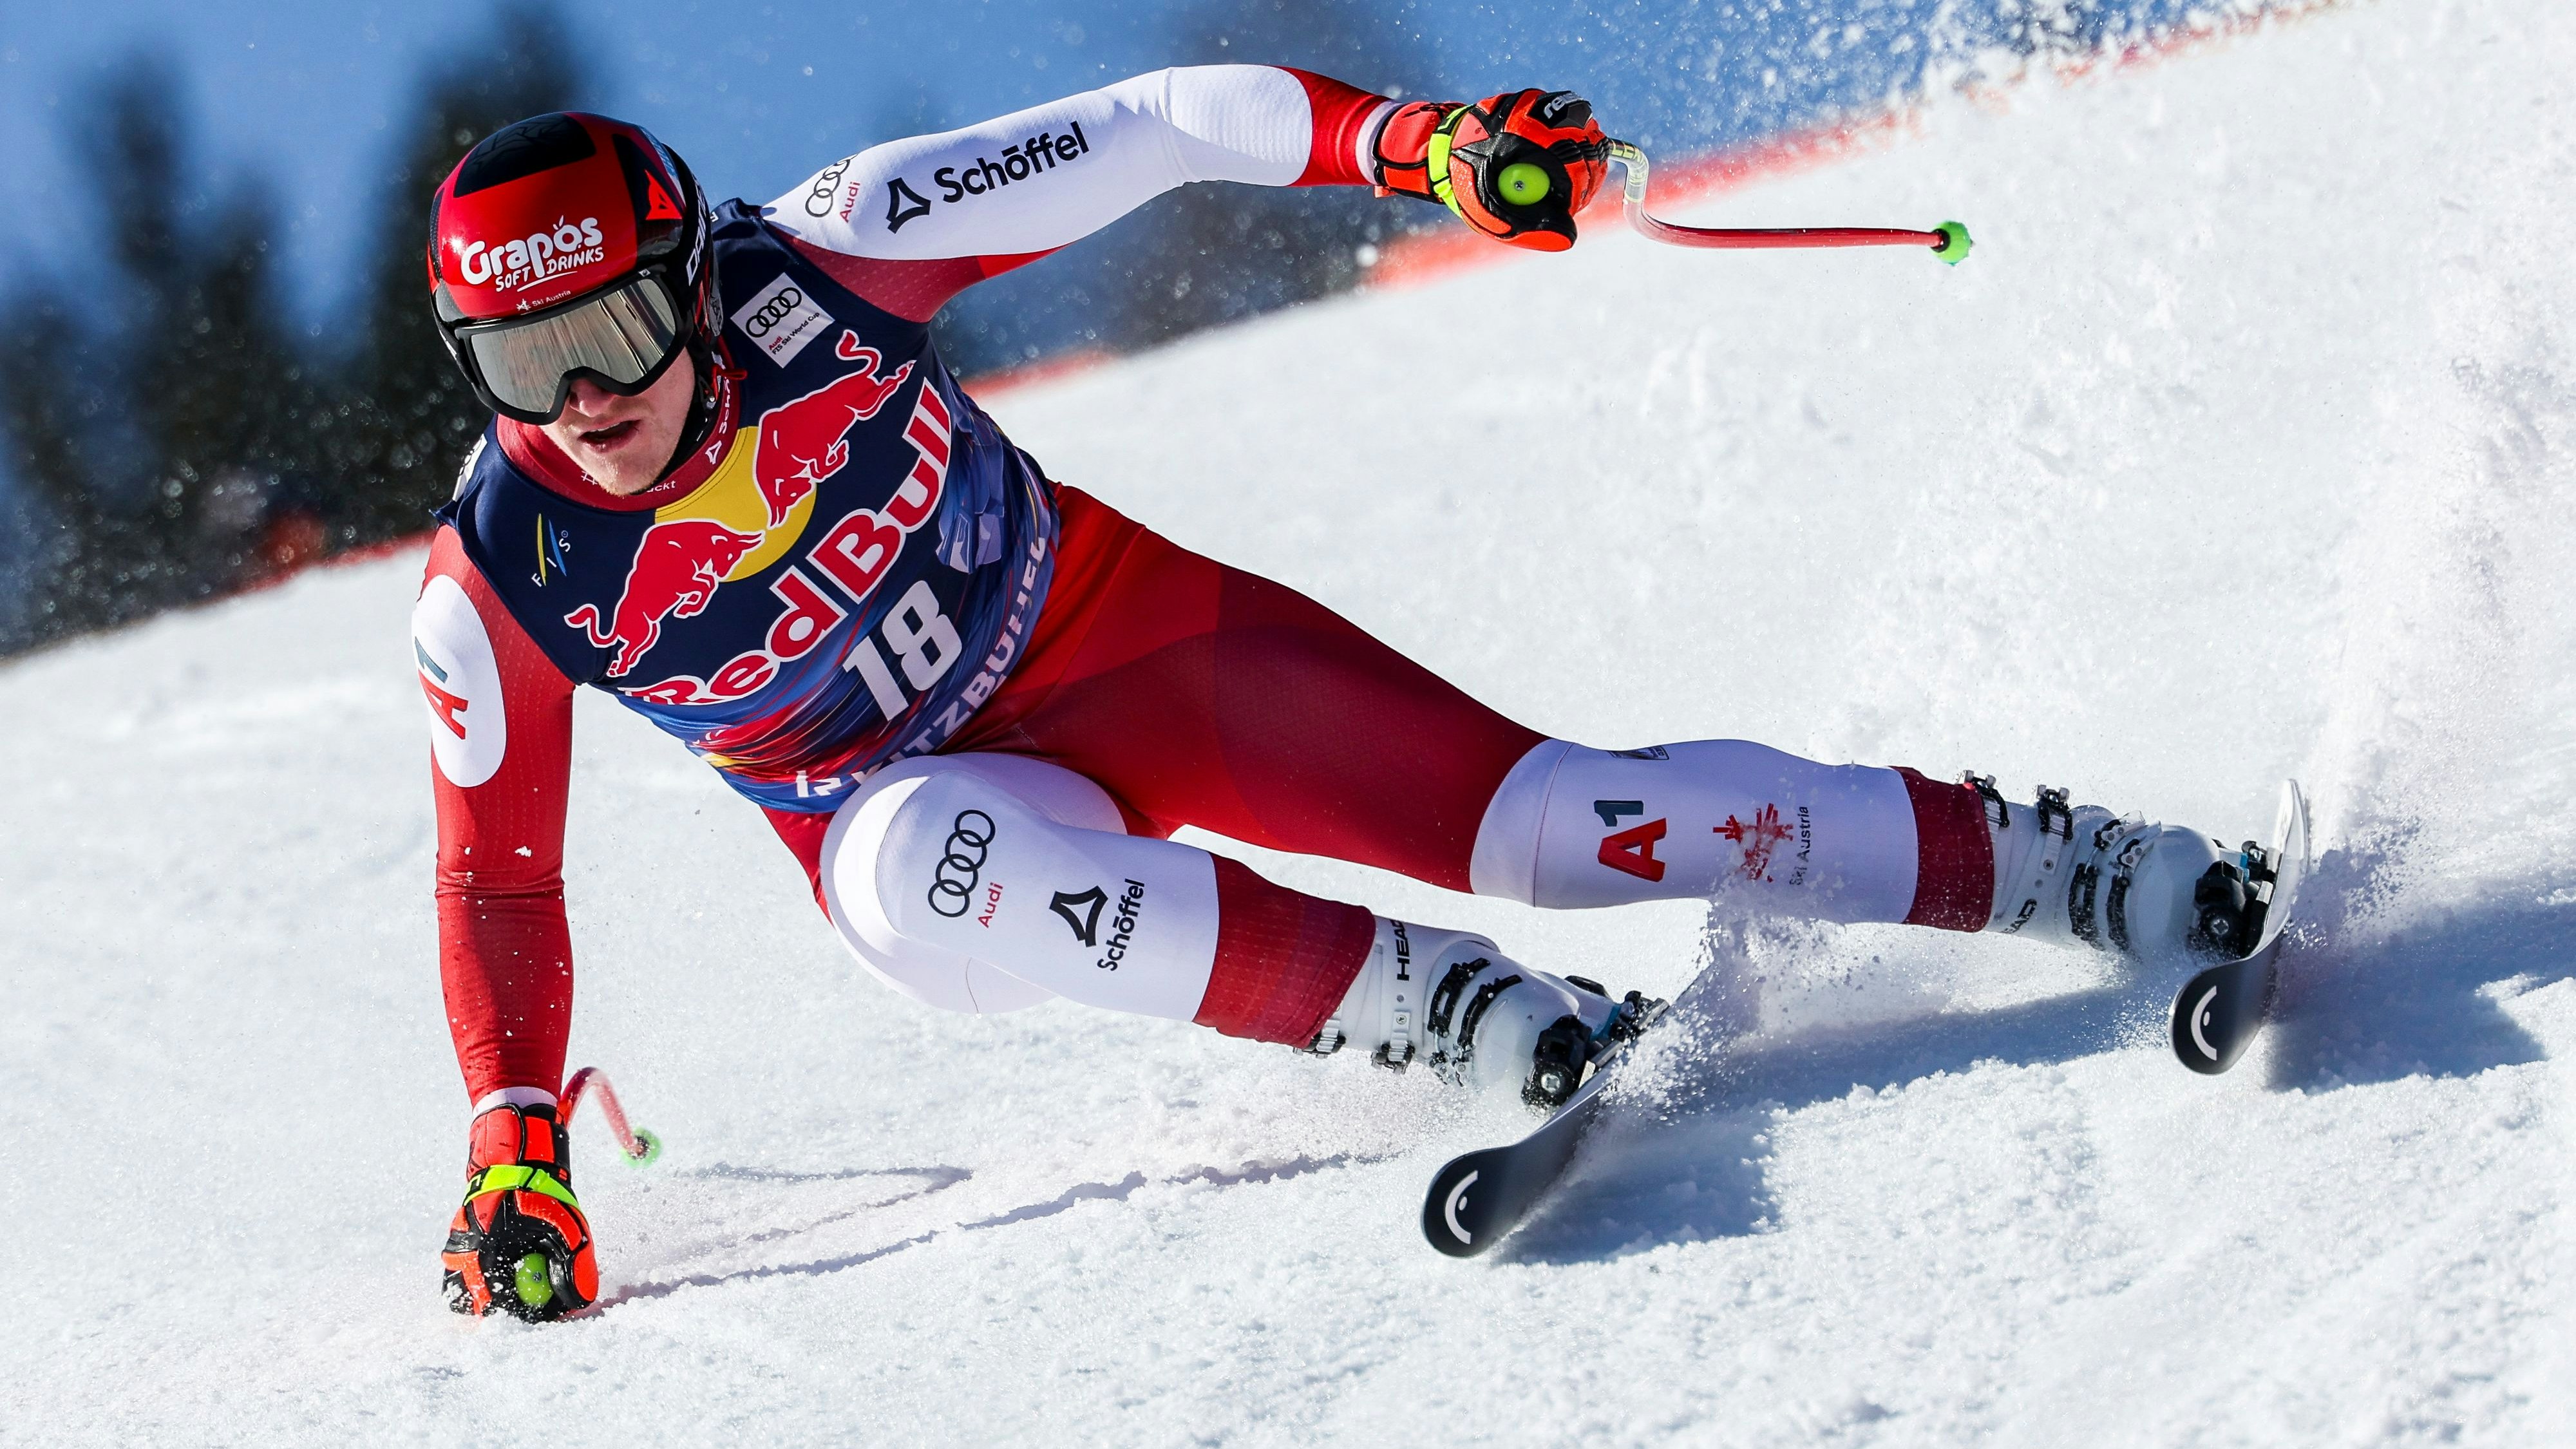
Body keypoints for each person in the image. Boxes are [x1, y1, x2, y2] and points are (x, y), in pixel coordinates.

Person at [415, 68, 2257, 1321]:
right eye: (521, 357)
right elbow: (496, 868)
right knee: (921, 863)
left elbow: (1157, 126)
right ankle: (1451, 1013)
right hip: (917, 821)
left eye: (613, 331)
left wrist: (1422, 151)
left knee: (1564, 826)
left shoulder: (822, 256)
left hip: (1124, 640)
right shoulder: (499, 575)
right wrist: (512, 1141)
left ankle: (2067, 866)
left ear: (685, 277)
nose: (582, 396)